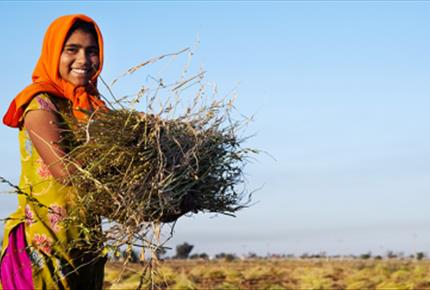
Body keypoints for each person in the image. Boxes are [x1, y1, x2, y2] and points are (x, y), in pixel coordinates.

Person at [1, 14, 107, 289]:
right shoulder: (40, 103)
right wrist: (106, 142)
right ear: (53, 52)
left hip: (84, 249)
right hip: (41, 252)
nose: (83, 60)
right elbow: (64, 171)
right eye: (71, 49)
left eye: (91, 51)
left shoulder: (92, 110)